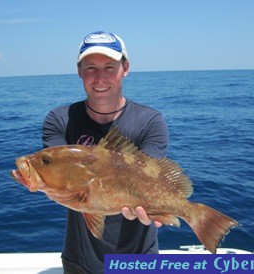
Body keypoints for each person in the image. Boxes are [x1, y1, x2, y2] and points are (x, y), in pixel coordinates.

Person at [42, 31, 168, 274]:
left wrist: (159, 208)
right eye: (90, 68)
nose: (100, 78)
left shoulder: (150, 121)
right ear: (79, 70)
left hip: (139, 259)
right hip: (80, 261)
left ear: (125, 68)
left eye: (109, 67)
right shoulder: (60, 120)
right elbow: (57, 176)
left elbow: (152, 177)